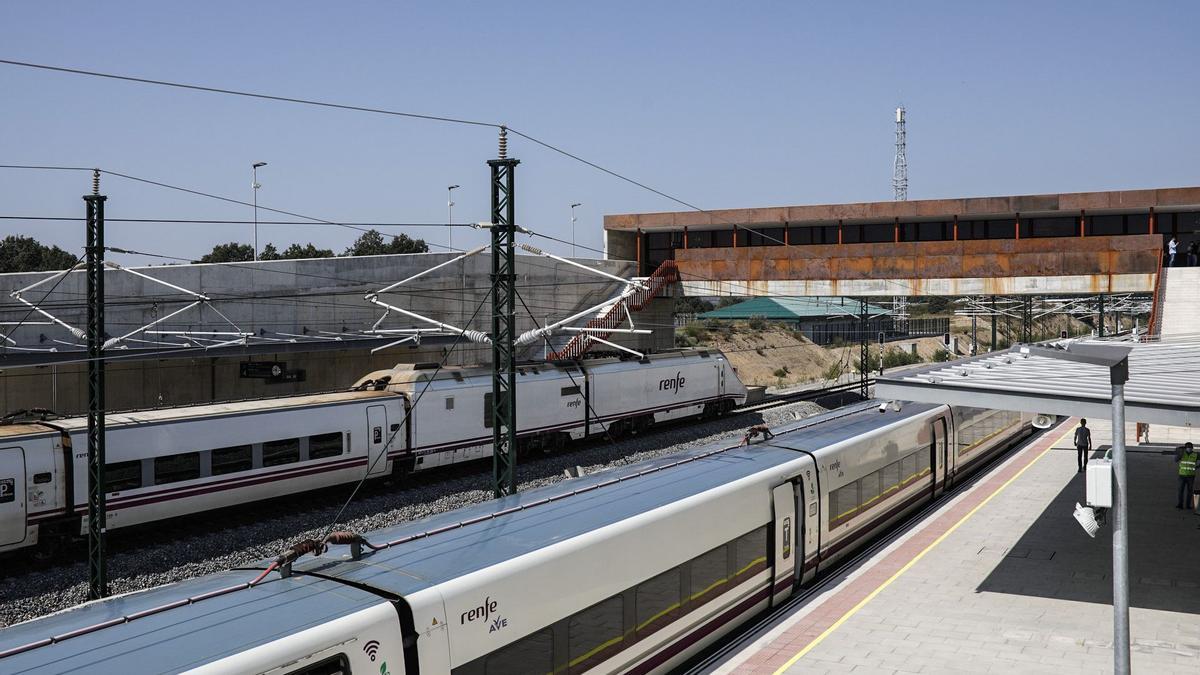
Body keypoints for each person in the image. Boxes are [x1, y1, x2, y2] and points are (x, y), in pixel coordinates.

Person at [1176, 442, 1197, 510]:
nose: (1189, 449)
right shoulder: (1182, 454)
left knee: (1189, 491)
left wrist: (1198, 466)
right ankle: (1180, 504)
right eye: (1188, 447)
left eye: (1190, 447)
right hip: (1182, 475)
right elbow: (1175, 460)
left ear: (1192, 448)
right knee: (1180, 490)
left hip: (1191, 476)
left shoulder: (1195, 454)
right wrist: (1180, 453)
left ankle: (1188, 505)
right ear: (1185, 448)